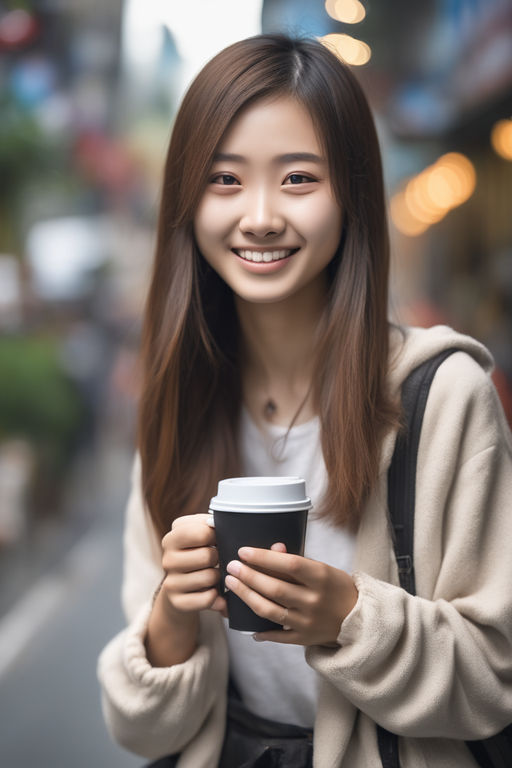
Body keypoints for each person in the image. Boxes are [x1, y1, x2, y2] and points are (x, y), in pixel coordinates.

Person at [97, 34, 512, 767]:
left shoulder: (443, 397)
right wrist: (170, 616)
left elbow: (495, 681)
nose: (259, 216)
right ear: (187, 202)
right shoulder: (179, 401)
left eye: (297, 179)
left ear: (351, 195)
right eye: (225, 180)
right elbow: (139, 728)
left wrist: (349, 617)